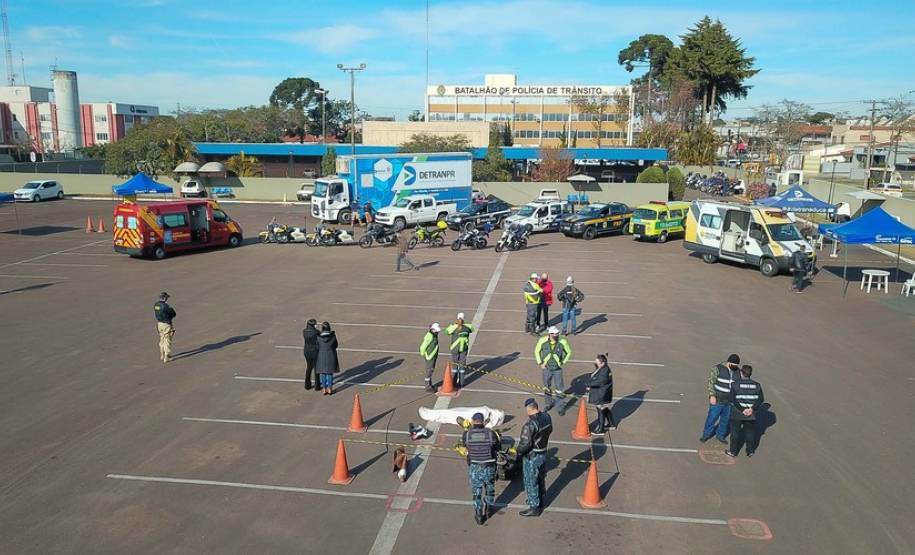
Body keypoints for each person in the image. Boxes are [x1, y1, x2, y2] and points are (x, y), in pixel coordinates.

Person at [516, 398, 552, 517]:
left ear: (529, 409)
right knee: (541, 477)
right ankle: (540, 499)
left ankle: (534, 506)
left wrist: (518, 453)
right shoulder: (547, 417)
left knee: (531, 480)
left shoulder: (530, 424)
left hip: (532, 456)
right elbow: (550, 430)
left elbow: (525, 444)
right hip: (543, 452)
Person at [463, 412, 501, 525]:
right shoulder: (490, 433)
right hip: (489, 466)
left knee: (476, 492)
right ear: (483, 421)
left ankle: (479, 515)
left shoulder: (467, 434)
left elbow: (465, 446)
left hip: (475, 466)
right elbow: (497, 447)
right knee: (490, 488)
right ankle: (489, 509)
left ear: (473, 421)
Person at [726, 365, 764, 458]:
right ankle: (750, 451)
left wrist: (743, 409)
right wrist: (752, 409)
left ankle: (733, 452)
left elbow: (732, 400)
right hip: (751, 414)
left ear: (741, 373)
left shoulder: (735, 384)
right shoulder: (757, 385)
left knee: (735, 433)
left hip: (737, 413)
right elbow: (761, 399)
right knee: (750, 433)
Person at [700, 354, 740, 443]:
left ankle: (720, 436)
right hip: (717, 399)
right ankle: (706, 435)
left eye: (736, 365)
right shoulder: (717, 369)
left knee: (725, 420)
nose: (735, 367)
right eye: (734, 365)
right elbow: (711, 382)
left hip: (729, 401)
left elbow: (738, 385)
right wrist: (712, 395)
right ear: (728, 362)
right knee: (712, 418)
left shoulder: (737, 372)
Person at [534, 326, 573, 415]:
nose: (555, 335)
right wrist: (540, 363)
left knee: (559, 389)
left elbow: (569, 352)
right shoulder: (542, 340)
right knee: (547, 387)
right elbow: (537, 351)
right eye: (553, 334)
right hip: (546, 368)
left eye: (557, 333)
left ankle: (561, 407)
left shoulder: (562, 341)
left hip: (557, 369)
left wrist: (562, 362)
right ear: (549, 334)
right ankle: (548, 403)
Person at [587, 354, 616, 434]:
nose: (596, 364)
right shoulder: (604, 368)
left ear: (603, 363)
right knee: (605, 409)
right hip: (603, 393)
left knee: (600, 410)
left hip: (601, 395)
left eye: (597, 363)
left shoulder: (605, 371)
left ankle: (600, 429)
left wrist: (589, 384)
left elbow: (599, 382)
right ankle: (611, 424)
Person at [446, 313, 474, 388]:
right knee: (462, 366)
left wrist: (454, 325)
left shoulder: (453, 327)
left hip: (455, 349)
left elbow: (446, 332)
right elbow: (472, 329)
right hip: (464, 349)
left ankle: (453, 382)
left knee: (454, 366)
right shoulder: (468, 327)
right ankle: (461, 383)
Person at [315, 322, 339, 395]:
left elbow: (317, 346)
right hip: (331, 355)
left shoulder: (318, 337)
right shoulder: (333, 337)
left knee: (323, 373)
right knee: (329, 373)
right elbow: (336, 345)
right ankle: (330, 389)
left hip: (321, 356)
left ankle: (324, 389)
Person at [153, 291, 176, 363]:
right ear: (164, 298)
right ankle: (166, 356)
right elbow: (173, 313)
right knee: (167, 340)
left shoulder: (156, 305)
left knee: (162, 338)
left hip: (159, 324)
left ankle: (162, 354)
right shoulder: (165, 306)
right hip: (166, 324)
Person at [420, 322, 441, 392]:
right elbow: (423, 346)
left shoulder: (434, 335)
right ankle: (428, 386)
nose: (438, 332)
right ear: (432, 330)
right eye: (437, 331)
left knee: (431, 370)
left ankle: (430, 384)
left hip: (433, 356)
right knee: (429, 371)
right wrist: (423, 353)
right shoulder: (429, 336)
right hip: (429, 356)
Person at [302, 319, 320, 391]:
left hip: (307, 351)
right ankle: (317, 386)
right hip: (315, 351)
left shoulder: (304, 331)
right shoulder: (316, 332)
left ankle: (307, 384)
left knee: (309, 367)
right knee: (316, 368)